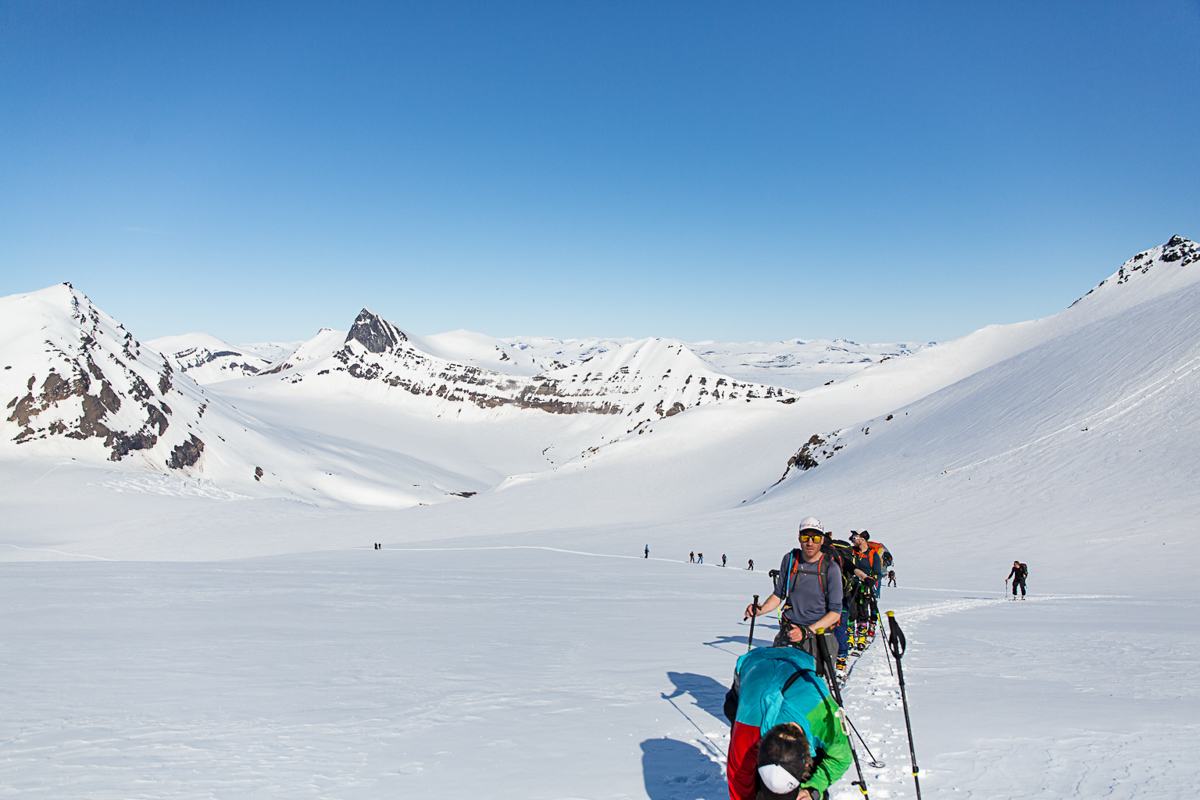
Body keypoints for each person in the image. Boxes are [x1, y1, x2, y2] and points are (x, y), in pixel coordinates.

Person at [724, 646, 852, 800]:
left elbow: (841, 759)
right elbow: (738, 780)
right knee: (731, 710)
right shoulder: (746, 734)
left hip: (798, 660)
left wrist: (812, 789)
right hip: (753, 663)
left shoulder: (826, 717)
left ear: (806, 764)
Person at [745, 518, 843, 673]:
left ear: (822, 540)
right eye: (805, 537)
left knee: (812, 684)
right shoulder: (790, 560)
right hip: (789, 632)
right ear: (799, 538)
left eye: (815, 538)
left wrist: (806, 631)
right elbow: (779, 595)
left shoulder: (830, 568)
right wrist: (760, 610)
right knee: (780, 680)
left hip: (819, 636)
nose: (810, 543)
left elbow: (835, 612)